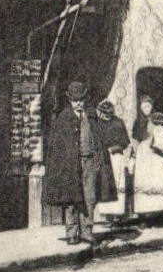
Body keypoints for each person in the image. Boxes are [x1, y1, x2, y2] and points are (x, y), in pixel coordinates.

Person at [44, 80, 116, 244]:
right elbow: (57, 146)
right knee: (72, 199)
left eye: (81, 100)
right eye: (75, 101)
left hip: (89, 162)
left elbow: (98, 140)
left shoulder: (91, 117)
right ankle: (71, 233)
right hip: (71, 165)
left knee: (89, 198)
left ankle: (87, 231)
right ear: (70, 100)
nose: (78, 104)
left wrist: (98, 159)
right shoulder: (64, 118)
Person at [94, 99, 133, 224]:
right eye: (103, 113)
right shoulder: (97, 124)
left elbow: (125, 141)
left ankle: (118, 214)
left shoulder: (118, 123)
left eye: (108, 113)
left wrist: (114, 148)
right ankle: (106, 214)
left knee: (117, 184)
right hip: (103, 158)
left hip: (116, 157)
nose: (105, 116)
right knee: (104, 184)